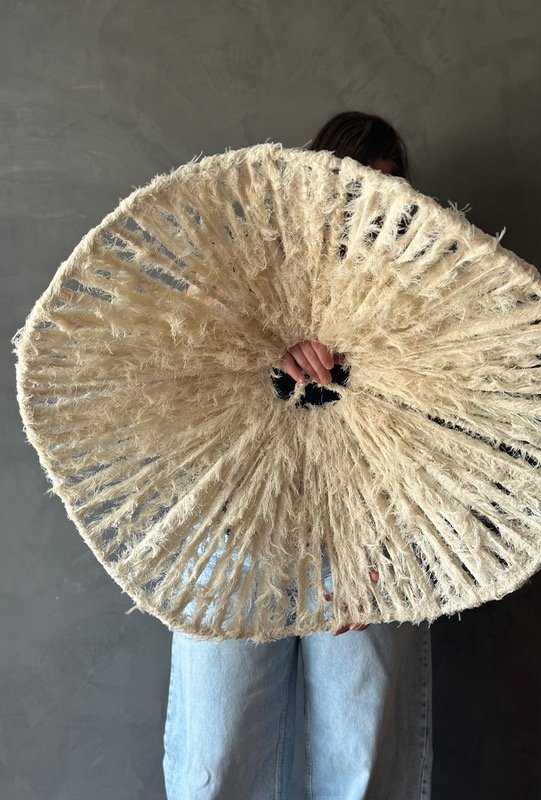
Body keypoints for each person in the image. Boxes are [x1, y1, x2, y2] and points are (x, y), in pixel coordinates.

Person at [163, 111, 433, 799]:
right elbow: (182, 331)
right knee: (218, 752)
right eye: (350, 185)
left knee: (358, 756)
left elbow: (424, 431)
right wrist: (269, 340)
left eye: (384, 190)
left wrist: (383, 550)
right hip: (238, 527)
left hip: (362, 537)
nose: (366, 206)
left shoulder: (412, 291)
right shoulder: (254, 260)